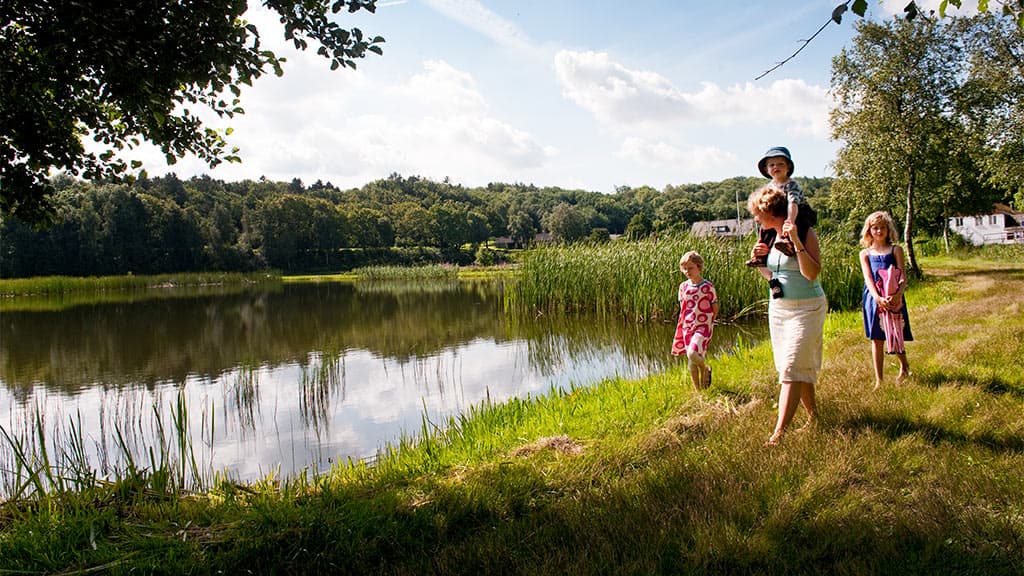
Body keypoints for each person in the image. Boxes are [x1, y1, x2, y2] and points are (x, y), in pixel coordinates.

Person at [747, 185, 827, 445]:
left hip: (808, 307)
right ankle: (815, 418)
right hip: (780, 308)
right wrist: (760, 262)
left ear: (771, 212)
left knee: (792, 367)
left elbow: (812, 273)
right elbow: (773, 277)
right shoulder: (768, 236)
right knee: (791, 366)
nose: (756, 219)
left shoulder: (805, 231)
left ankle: (779, 433)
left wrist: (797, 243)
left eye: (759, 214)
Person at [859, 211, 913, 390]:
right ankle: (879, 381)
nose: (879, 231)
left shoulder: (896, 250)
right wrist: (877, 297)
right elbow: (868, 277)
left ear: (888, 229)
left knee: (895, 333)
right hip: (873, 297)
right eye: (875, 228)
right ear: (869, 230)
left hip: (894, 295)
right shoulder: (865, 253)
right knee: (877, 338)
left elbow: (902, 275)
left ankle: (904, 366)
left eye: (882, 228)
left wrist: (898, 294)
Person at [746, 146, 818, 266]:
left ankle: (789, 243)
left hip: (798, 212)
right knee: (765, 229)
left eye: (780, 164)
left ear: (788, 167)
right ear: (766, 169)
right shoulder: (770, 187)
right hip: (777, 214)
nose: (776, 167)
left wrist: (790, 220)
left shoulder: (791, 185)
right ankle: (761, 256)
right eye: (772, 165)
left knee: (799, 226)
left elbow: (793, 203)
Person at [671, 251, 719, 390]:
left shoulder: (707, 287)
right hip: (688, 326)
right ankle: (699, 392)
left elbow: (715, 307)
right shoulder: (683, 287)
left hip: (703, 326)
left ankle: (705, 368)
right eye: (684, 268)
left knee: (692, 353)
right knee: (691, 362)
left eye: (690, 268)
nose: (687, 271)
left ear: (699, 267)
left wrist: (709, 323)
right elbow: (683, 308)